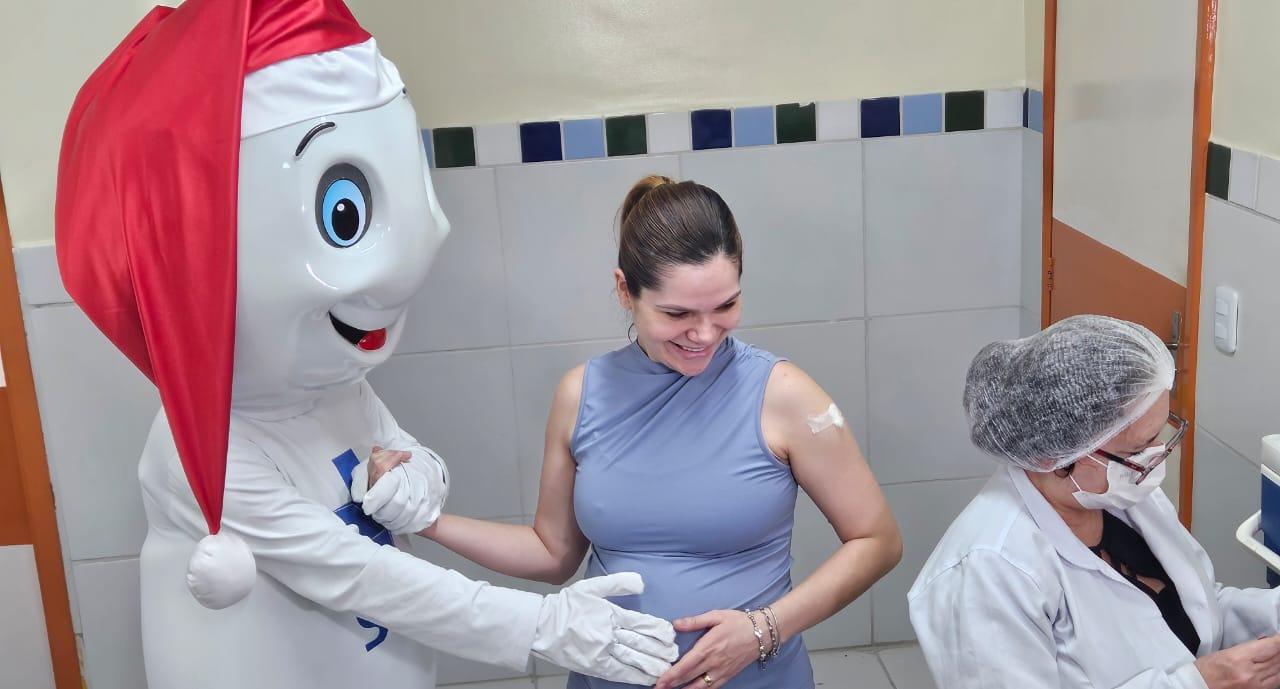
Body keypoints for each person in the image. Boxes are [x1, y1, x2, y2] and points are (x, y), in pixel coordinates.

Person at [54, 1, 676, 687]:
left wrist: (418, 481)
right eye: (344, 213)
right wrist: (542, 625)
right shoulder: (204, 454)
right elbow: (364, 576)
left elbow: (407, 455)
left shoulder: (335, 389)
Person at [365, 175, 902, 689]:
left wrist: (763, 629)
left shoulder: (785, 396)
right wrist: (428, 520)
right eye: (677, 313)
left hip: (757, 679)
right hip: (610, 681)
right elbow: (552, 554)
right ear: (625, 290)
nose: (705, 333)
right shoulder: (581, 396)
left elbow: (878, 541)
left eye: (726, 305)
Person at [908, 314, 1280, 689]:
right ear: (1050, 455)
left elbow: (1193, 609)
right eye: (1136, 449)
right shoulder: (990, 571)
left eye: (1160, 434)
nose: (1154, 458)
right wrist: (1198, 684)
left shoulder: (1117, 494)